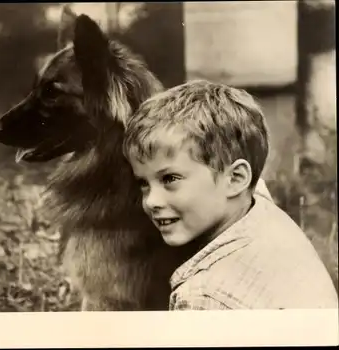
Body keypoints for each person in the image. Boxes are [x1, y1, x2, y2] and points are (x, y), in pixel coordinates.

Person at [122, 79, 338, 310]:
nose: (151, 201)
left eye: (170, 179)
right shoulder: (257, 208)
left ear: (235, 179)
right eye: (143, 183)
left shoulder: (206, 297)